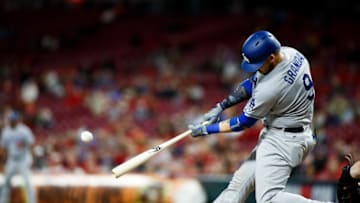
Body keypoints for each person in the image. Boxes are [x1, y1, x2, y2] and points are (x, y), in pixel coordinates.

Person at [189, 30, 333, 203]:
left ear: (271, 57)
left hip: (284, 140)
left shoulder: (270, 88)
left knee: (268, 199)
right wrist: (221, 106)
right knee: (237, 187)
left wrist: (207, 129)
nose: (255, 68)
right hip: (293, 132)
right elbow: (253, 82)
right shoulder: (292, 53)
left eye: (258, 64)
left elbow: (243, 122)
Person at [0, 111, 36, 203]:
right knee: (6, 183)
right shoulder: (6, 131)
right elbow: (3, 149)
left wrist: (33, 159)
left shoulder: (24, 130)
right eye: (11, 119)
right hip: (11, 159)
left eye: (14, 120)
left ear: (18, 120)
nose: (12, 121)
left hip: (23, 159)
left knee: (27, 182)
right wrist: (2, 162)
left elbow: (31, 145)